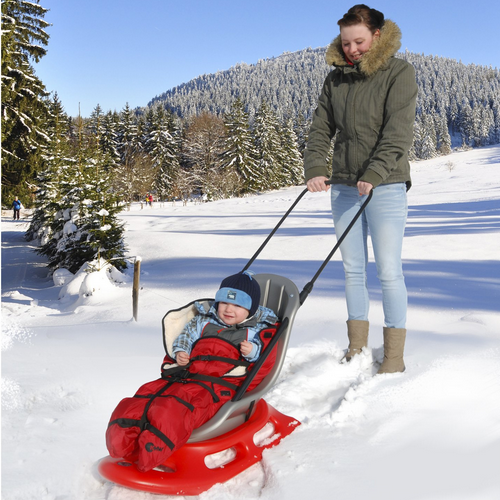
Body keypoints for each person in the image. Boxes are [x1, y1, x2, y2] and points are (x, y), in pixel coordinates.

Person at [304, 4, 418, 374]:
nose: (352, 49)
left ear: (377, 36)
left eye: (359, 41)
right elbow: (321, 128)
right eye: (346, 42)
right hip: (344, 186)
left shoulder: (399, 73)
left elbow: (397, 133)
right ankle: (356, 346)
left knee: (388, 270)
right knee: (353, 269)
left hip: (385, 185)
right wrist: (316, 168)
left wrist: (375, 171)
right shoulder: (336, 79)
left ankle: (394, 357)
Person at [105, 270, 278, 472]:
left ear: (251, 309)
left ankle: (152, 455)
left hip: (217, 386)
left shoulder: (256, 329)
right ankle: (124, 445)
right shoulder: (203, 321)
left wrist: (252, 351)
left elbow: (265, 357)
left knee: (173, 408)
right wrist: (181, 352)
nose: (229, 310)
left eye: (238, 305)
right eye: (224, 303)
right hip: (185, 377)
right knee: (143, 398)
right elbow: (186, 337)